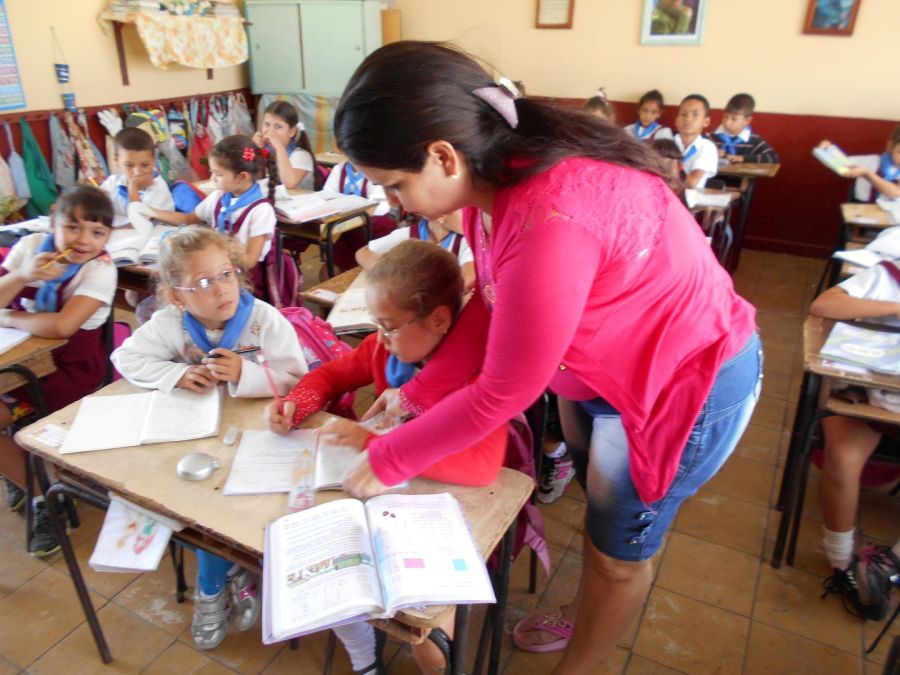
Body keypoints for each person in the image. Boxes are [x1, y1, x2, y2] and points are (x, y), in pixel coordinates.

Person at [329, 41, 761, 674]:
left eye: (395, 185)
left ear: (442, 155)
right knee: (600, 519)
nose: (394, 203)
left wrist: (390, 456)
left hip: (680, 385)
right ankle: (594, 605)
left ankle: (581, 659)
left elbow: (505, 391)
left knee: (620, 552)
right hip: (600, 375)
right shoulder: (491, 184)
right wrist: (415, 401)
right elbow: (493, 305)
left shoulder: (550, 216)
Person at [265, 239, 507, 674]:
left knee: (426, 630)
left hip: (448, 510)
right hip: (382, 499)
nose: (379, 337)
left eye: (389, 326)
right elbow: (333, 374)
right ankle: (365, 646)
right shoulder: (385, 350)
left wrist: (376, 446)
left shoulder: (477, 377)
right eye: (375, 324)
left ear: (438, 320)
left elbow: (482, 466)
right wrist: (296, 404)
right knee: (335, 577)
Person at [111, 227, 306, 649]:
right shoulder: (170, 323)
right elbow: (124, 357)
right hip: (197, 437)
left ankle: (216, 585)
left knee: (227, 508)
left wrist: (245, 374)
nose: (221, 289)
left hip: (260, 438)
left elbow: (298, 381)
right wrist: (176, 373)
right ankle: (224, 580)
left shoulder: (263, 320)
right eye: (202, 283)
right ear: (177, 296)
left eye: (227, 274)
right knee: (197, 504)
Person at [0, 186, 117, 557]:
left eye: (97, 233)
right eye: (73, 227)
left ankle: (43, 496)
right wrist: (22, 274)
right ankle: (27, 475)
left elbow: (65, 326)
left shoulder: (100, 269)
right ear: (52, 222)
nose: (84, 240)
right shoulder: (30, 248)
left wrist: (8, 316)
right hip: (17, 365)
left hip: (67, 375)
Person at [808, 261, 900, 620]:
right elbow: (824, 305)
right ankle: (842, 565)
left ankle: (887, 567)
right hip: (867, 396)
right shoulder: (887, 276)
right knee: (843, 460)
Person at [152, 135, 277, 275]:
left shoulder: (261, 211)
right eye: (212, 173)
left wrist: (219, 248)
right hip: (216, 269)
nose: (212, 179)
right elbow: (186, 219)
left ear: (242, 177)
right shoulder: (218, 197)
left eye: (218, 174)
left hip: (245, 279)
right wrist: (152, 212)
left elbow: (249, 261)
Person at [355, 210, 475, 291]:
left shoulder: (464, 240)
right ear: (441, 215)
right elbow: (362, 252)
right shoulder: (409, 234)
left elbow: (468, 279)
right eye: (464, 210)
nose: (472, 216)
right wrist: (387, 273)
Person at [322, 160, 396, 276]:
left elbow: (372, 208)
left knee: (367, 273)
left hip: (374, 228)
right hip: (345, 228)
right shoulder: (339, 169)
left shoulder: (376, 170)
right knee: (328, 272)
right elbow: (326, 197)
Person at [100, 127, 175, 216]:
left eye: (145, 165)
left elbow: (139, 221)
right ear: (117, 161)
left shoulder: (159, 189)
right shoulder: (111, 184)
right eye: (129, 165)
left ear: (154, 160)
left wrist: (133, 187)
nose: (137, 172)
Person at [818, 126, 900, 202]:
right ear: (890, 146)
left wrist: (867, 174)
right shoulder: (871, 161)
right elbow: (841, 164)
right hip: (859, 206)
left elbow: (896, 193)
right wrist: (827, 150)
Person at [252, 100, 320, 191]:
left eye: (278, 126)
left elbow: (289, 183)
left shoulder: (301, 155)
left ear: (291, 131)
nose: (270, 131)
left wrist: (278, 146)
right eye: (267, 124)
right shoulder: (266, 151)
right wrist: (253, 151)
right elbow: (249, 181)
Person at [711, 94, 780, 164]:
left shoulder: (754, 140)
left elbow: (773, 158)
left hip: (741, 175)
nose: (727, 123)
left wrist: (742, 158)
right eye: (725, 116)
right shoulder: (711, 137)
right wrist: (709, 153)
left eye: (734, 119)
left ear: (747, 120)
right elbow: (700, 152)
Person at [673, 94, 718, 188]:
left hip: (690, 201)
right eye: (684, 114)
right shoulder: (667, 143)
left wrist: (666, 172)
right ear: (676, 121)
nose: (688, 119)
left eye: (695, 114)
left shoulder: (707, 147)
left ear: (706, 122)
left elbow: (691, 182)